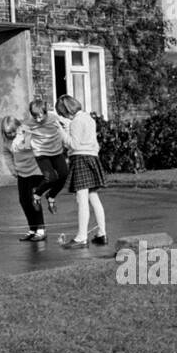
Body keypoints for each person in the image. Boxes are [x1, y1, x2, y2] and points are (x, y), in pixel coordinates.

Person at [56, 96, 108, 248]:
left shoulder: (76, 122)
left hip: (80, 158)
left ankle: (81, 237)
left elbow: (74, 143)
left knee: (82, 199)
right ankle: (102, 233)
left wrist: (60, 131)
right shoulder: (88, 119)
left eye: (62, 113)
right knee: (93, 197)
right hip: (92, 157)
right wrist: (67, 126)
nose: (63, 116)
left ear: (66, 110)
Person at [1, 115, 47, 241]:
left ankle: (41, 229)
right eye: (7, 133)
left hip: (35, 170)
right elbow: (6, 154)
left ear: (18, 127)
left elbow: (33, 146)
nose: (10, 135)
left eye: (12, 132)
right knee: (24, 200)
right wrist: (13, 169)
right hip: (22, 172)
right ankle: (32, 228)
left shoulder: (26, 134)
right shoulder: (7, 142)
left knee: (34, 199)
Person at [27, 98, 69, 220]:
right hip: (41, 153)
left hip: (56, 151)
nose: (38, 120)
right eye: (35, 117)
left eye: (40, 116)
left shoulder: (54, 118)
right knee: (50, 177)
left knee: (64, 175)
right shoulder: (29, 124)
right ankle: (36, 195)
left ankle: (51, 196)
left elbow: (67, 124)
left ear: (46, 112)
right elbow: (23, 139)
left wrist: (65, 132)